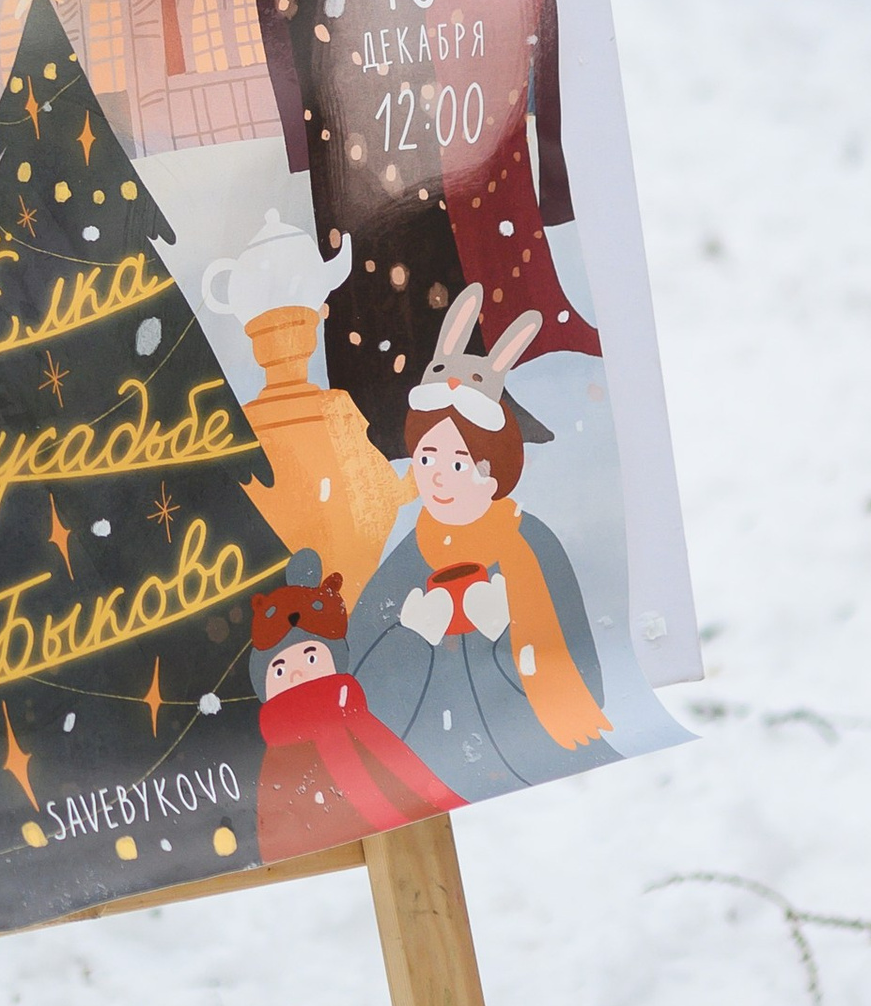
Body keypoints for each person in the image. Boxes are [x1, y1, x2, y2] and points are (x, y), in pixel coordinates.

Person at [344, 289, 616, 796]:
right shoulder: (410, 556)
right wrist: (414, 635)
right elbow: (360, 658)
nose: (436, 477)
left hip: (533, 747)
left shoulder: (531, 544)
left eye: (457, 463)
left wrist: (498, 638)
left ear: (492, 474)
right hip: (432, 758)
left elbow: (583, 666)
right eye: (426, 458)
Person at [250, 552, 458, 865]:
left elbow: (405, 774)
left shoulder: (356, 719)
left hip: (396, 834)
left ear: (334, 659)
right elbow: (278, 828)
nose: (296, 673)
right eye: (279, 669)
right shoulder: (282, 753)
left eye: (310, 657)